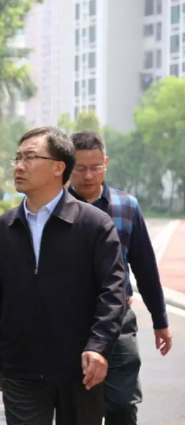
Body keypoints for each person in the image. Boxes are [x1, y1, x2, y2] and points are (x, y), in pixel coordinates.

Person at [0, 127, 127, 425]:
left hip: (80, 367)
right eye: (17, 158)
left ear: (59, 167)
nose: (19, 166)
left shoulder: (94, 225)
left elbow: (113, 293)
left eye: (30, 157)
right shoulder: (4, 227)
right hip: (21, 367)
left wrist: (99, 347)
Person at [69, 131, 172, 425]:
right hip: (69, 322)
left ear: (106, 162)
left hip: (118, 319)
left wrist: (160, 320)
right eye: (80, 168)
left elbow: (145, 267)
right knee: (78, 410)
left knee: (123, 405)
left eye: (96, 167)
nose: (89, 176)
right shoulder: (55, 208)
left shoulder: (127, 207)